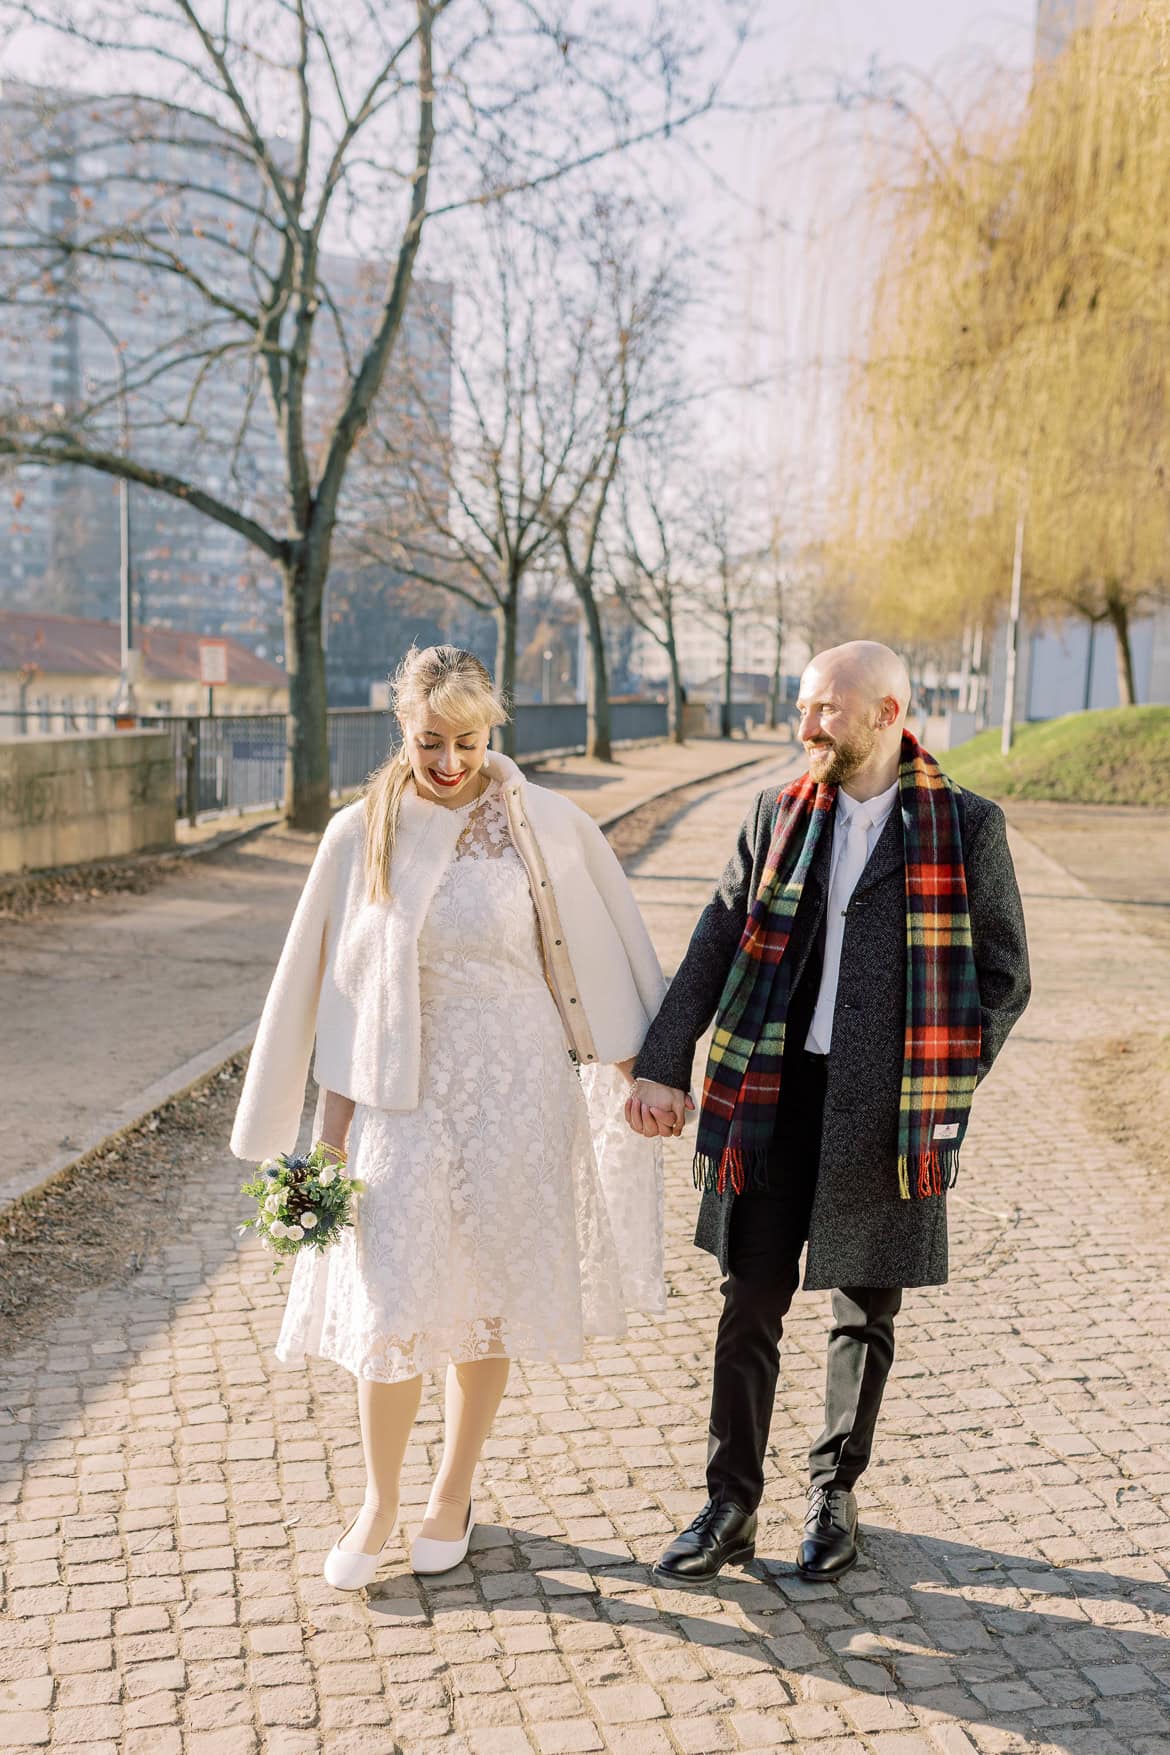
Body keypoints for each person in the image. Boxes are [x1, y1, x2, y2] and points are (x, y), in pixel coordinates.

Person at [232, 646, 667, 1590]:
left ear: (490, 730)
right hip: (402, 1097)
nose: (449, 762)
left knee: (485, 1299)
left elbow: (595, 953)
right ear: (404, 728)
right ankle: (378, 1500)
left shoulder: (543, 825)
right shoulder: (360, 835)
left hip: (516, 1089)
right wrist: (329, 1135)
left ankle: (452, 1488)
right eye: (431, 741)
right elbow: (338, 992)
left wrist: (647, 1073)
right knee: (391, 1299)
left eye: (467, 741)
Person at [627, 641, 1030, 1584]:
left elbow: (1004, 979)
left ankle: (833, 1495)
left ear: (890, 712)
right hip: (772, 1097)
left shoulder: (967, 826)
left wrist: (939, 1084)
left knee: (862, 1308)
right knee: (749, 1298)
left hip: (883, 1116)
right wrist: (663, 1058)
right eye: (804, 707)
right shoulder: (777, 813)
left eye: (826, 710)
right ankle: (730, 1503)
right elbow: (717, 938)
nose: (805, 727)